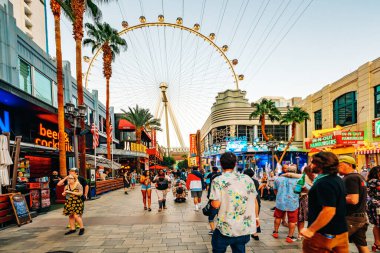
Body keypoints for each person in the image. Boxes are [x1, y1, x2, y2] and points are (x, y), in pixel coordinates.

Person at [210, 152, 259, 253]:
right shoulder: (247, 179)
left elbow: (216, 204)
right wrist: (257, 217)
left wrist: (211, 202)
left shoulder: (218, 180)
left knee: (217, 247)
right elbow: (254, 200)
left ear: (221, 164)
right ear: (235, 164)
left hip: (226, 226)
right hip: (243, 227)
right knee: (239, 249)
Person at [301, 152, 349, 253]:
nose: (311, 165)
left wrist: (311, 230)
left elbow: (329, 210)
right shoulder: (337, 180)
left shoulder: (324, 183)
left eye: (313, 162)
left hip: (323, 234)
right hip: (341, 232)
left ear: (320, 165)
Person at [338, 155, 370, 253]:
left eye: (340, 165)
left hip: (351, 219)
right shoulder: (359, 177)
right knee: (361, 245)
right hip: (359, 217)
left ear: (349, 165)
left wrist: (335, 197)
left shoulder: (350, 178)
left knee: (334, 243)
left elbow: (353, 200)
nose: (337, 167)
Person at [281, 165, 315, 240]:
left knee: (301, 218)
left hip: (303, 199)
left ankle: (300, 234)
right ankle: (310, 233)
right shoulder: (316, 178)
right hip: (311, 199)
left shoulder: (304, 176)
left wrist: (283, 175)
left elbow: (290, 174)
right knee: (310, 217)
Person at [272, 165, 299, 243]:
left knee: (278, 217)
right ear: (295, 172)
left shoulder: (279, 179)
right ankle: (289, 237)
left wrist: (279, 196)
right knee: (292, 221)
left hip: (281, 201)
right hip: (293, 203)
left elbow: (275, 189)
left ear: (287, 171)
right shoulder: (298, 180)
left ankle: (275, 232)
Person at [243, 168, 261, 241]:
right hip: (256, 199)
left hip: (247, 200)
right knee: (255, 216)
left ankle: (245, 232)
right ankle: (255, 234)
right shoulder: (256, 181)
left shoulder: (243, 181)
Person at [366, 166, 380, 252]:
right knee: (377, 224)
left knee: (377, 225)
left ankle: (377, 244)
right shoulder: (374, 181)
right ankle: (377, 243)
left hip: (374, 204)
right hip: (377, 205)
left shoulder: (371, 181)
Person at [207, 166, 222, 235]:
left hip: (214, 201)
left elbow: (207, 180)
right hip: (222, 202)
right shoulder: (221, 176)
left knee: (211, 217)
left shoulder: (210, 175)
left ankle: (213, 230)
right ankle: (220, 229)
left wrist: (207, 186)